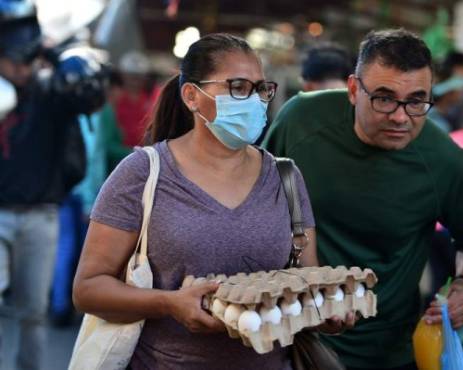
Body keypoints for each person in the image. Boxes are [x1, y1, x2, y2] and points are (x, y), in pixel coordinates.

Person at [72, 33, 354, 370]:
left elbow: (306, 278)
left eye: (261, 89)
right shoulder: (143, 174)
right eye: (237, 87)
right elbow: (88, 289)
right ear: (192, 95)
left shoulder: (286, 178)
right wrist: (168, 303)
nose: (254, 101)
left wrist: (324, 310)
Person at [263, 28, 463, 370]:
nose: (401, 117)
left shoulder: (442, 160)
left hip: (387, 352)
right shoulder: (301, 121)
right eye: (384, 98)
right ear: (354, 89)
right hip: (291, 341)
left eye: (417, 101)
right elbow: (257, 200)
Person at [0, 1, 106, 368]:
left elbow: (89, 92)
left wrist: (55, 51)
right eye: (10, 58)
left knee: (33, 311)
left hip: (41, 214)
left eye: (23, 58)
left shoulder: (50, 92)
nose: (18, 67)